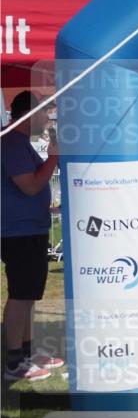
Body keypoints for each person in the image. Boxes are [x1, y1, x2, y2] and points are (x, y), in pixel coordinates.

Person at [1, 92, 65, 381]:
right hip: (19, 232)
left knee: (28, 295)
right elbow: (29, 186)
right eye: (44, 113)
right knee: (21, 295)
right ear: (29, 113)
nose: (47, 119)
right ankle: (16, 362)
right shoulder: (12, 142)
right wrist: (54, 156)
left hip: (28, 229)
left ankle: (26, 354)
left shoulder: (17, 142)